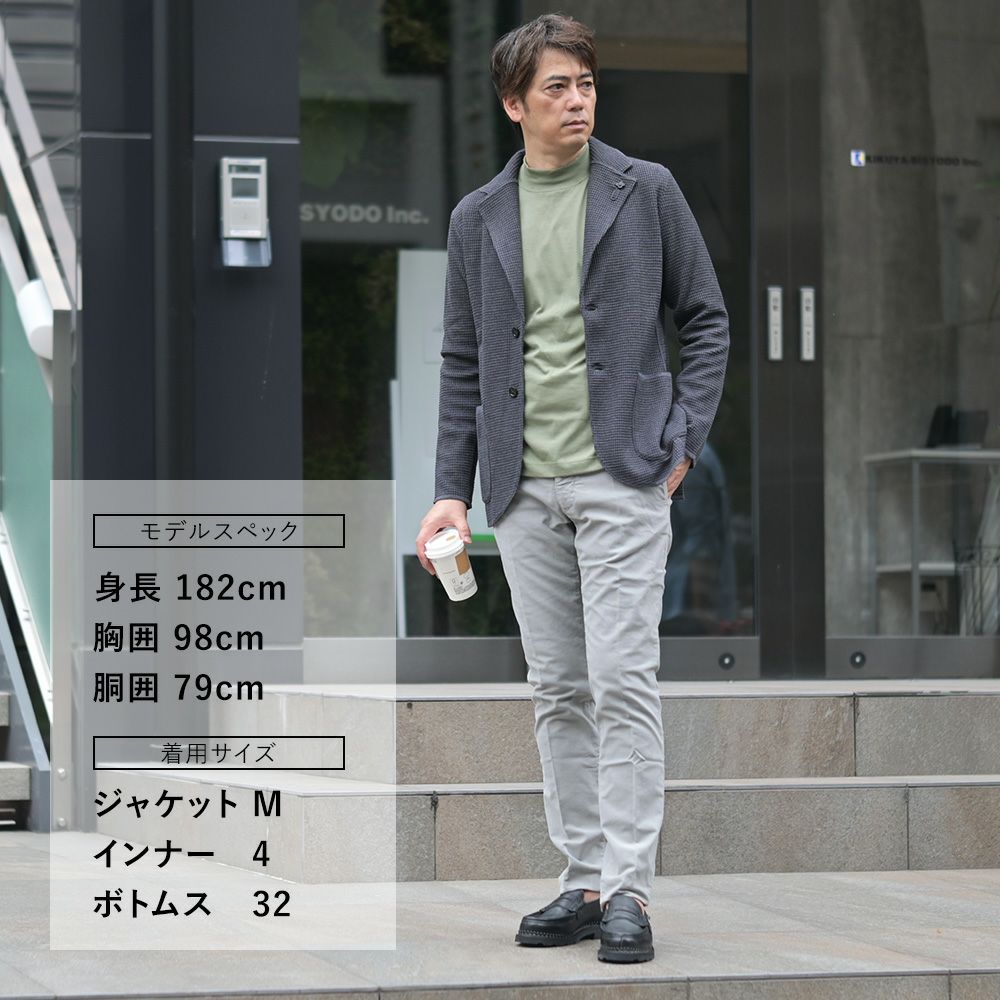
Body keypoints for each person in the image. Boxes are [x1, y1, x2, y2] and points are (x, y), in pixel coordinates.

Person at [416, 12, 729, 964]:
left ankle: (629, 888)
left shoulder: (646, 190)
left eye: (585, 83)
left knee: (622, 680)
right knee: (557, 687)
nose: (578, 100)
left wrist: (680, 445)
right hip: (522, 490)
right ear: (514, 103)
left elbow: (705, 319)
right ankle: (584, 880)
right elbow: (463, 363)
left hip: (624, 476)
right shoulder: (478, 217)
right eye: (556, 87)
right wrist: (452, 491)